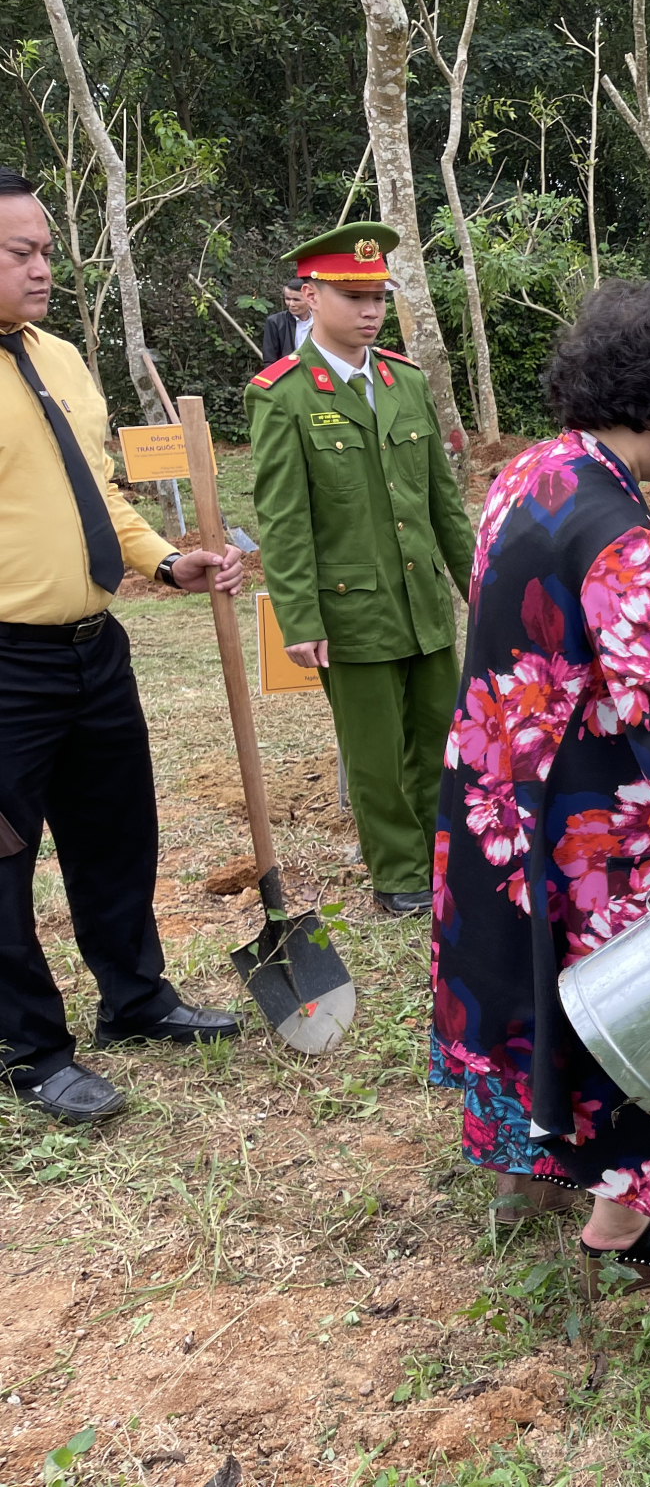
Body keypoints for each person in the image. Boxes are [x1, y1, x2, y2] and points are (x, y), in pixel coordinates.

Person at [431, 281, 650, 1280]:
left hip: (498, 783)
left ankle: (526, 1155)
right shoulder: (620, 534)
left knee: (523, 978)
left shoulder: (531, 473)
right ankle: (622, 1222)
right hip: (590, 810)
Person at [0, 167, 245, 1125]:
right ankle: (31, 1049)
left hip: (94, 647)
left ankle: (135, 1001)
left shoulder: (59, 357)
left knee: (115, 832)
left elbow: (95, 489)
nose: (43, 269)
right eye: (21, 252)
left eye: (48, 251)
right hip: (6, 666)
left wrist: (164, 560)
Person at [246, 222, 477, 916]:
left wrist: (478, 589)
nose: (370, 310)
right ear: (311, 297)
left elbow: (443, 502)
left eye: (377, 295)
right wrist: (300, 619)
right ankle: (402, 874)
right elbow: (285, 520)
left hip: (422, 604)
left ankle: (447, 858)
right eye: (353, 296)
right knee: (375, 754)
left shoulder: (404, 382)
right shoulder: (282, 394)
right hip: (351, 608)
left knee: (440, 739)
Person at [260, 277, 311, 366]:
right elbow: (270, 360)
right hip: (288, 373)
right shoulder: (275, 322)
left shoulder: (321, 321)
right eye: (287, 299)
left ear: (310, 298)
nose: (291, 304)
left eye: (296, 300)